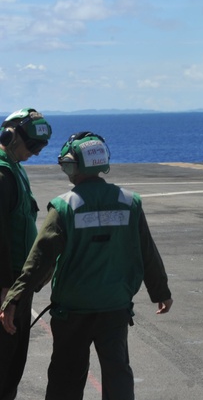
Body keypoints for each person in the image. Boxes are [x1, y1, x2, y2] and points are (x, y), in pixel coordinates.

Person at [0, 131, 172, 400]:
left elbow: (38, 260)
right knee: (117, 373)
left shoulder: (64, 206)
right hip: (114, 306)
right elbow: (147, 252)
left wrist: (14, 298)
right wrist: (161, 291)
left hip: (72, 311)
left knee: (66, 377)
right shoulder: (129, 202)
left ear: (73, 165)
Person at [0, 108, 51, 400]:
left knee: (14, 358)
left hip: (18, 282)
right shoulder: (3, 173)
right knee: (5, 360)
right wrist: (7, 287)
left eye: (39, 148)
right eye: (30, 146)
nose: (34, 153)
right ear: (9, 135)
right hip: (8, 284)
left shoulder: (15, 168)